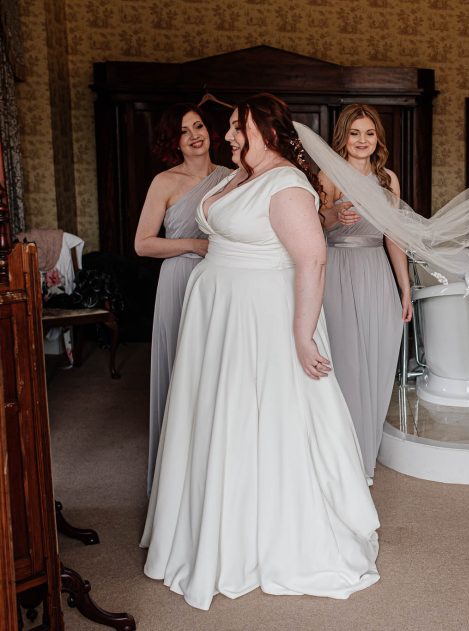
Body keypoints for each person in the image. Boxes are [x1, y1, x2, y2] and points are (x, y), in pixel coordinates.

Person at [141, 93, 380, 609]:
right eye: (228, 127)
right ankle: (212, 526)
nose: (226, 136)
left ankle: (268, 538)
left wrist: (302, 334)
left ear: (264, 132)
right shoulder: (239, 175)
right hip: (219, 317)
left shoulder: (287, 184)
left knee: (263, 419)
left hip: (262, 319)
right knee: (218, 417)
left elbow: (313, 261)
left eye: (235, 127)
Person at [134, 103, 230, 495]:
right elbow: (142, 245)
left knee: (216, 370)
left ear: (212, 131)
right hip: (179, 280)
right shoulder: (165, 182)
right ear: (173, 141)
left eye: (199, 126)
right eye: (184, 130)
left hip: (222, 281)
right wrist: (192, 244)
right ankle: (172, 478)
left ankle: (211, 468)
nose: (195, 135)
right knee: (180, 369)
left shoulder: (231, 178)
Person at [318, 104, 412, 480]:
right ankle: (344, 462)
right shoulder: (329, 174)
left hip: (378, 274)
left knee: (377, 362)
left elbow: (394, 237)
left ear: (378, 138)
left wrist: (405, 288)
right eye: (355, 133)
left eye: (369, 133)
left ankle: (365, 457)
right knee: (346, 366)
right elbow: (312, 224)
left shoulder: (388, 179)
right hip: (339, 271)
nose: (362, 141)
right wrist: (334, 216)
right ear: (344, 136)